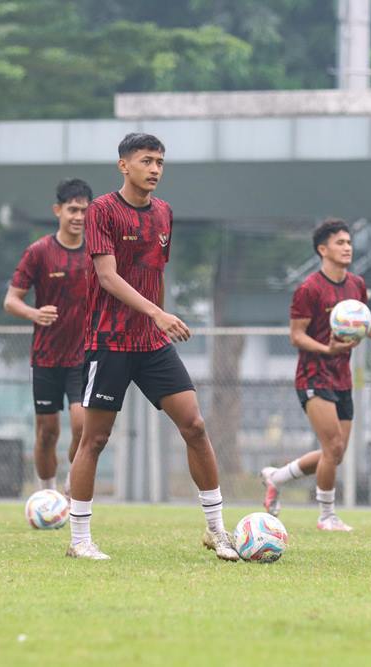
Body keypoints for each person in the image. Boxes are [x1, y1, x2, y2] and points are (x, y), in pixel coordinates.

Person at [66, 132, 238, 561]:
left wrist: (156, 322)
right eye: (147, 161)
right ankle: (79, 540)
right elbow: (107, 276)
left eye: (160, 162)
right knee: (95, 439)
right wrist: (158, 313)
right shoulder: (102, 211)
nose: (156, 169)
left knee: (195, 425)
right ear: (124, 165)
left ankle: (217, 531)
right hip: (109, 341)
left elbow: (153, 274)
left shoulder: (164, 213)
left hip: (150, 343)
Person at [259, 218, 371, 530]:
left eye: (349, 242)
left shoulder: (356, 285)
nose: (347, 247)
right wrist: (326, 350)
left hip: (342, 377)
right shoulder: (309, 289)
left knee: (333, 454)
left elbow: (363, 321)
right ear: (323, 249)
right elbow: (297, 336)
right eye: (340, 243)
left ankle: (276, 477)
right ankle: (326, 516)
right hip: (313, 376)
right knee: (333, 447)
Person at [4, 178, 92, 495]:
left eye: (84, 210)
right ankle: (47, 493)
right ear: (58, 210)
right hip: (46, 356)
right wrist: (34, 313)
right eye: (72, 209)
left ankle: (70, 487)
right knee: (47, 433)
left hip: (83, 356)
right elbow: (11, 300)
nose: (78, 216)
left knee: (83, 426)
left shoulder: (97, 252)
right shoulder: (39, 252)